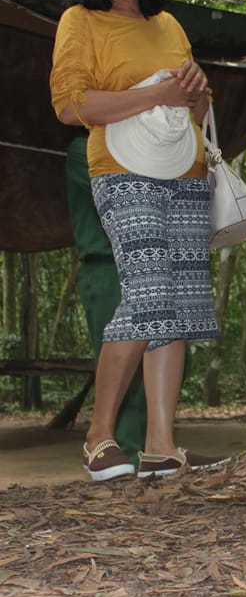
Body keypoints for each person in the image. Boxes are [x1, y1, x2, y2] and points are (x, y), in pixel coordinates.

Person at [50, 0, 226, 480]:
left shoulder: (169, 24)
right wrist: (155, 92)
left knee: (178, 303)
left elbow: (196, 108)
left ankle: (160, 446)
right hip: (122, 171)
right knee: (148, 295)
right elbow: (69, 105)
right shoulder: (81, 21)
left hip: (187, 172)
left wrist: (196, 89)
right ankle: (97, 436)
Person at [65, 135, 148, 465]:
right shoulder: (83, 149)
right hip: (108, 266)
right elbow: (124, 198)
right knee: (121, 362)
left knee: (158, 357)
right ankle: (121, 453)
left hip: (146, 266)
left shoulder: (141, 145)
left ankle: (149, 450)